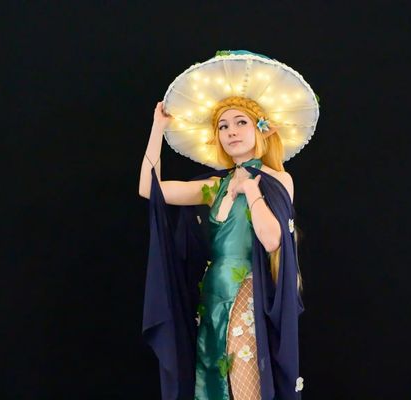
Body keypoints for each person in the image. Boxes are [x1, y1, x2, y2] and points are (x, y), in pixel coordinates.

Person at [139, 51, 319, 400]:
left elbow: (272, 240)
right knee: (213, 386)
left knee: (246, 385)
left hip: (247, 294)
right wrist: (157, 128)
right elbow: (149, 188)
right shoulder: (213, 187)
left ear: (260, 129)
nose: (231, 131)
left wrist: (251, 190)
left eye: (240, 122)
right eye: (223, 126)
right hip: (212, 296)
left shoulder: (277, 179)